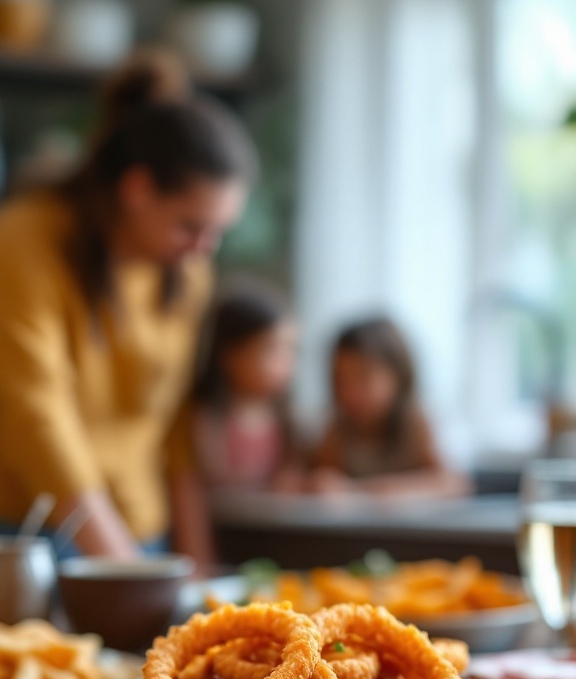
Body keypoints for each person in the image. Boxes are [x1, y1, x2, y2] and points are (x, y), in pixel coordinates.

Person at [0, 51, 256, 559]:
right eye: (190, 226)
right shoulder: (26, 241)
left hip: (140, 531)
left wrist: (194, 559)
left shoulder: (187, 269)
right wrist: (120, 563)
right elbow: (35, 413)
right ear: (137, 189)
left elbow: (176, 423)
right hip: (33, 535)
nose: (204, 250)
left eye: (217, 232)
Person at [170, 277, 300, 564]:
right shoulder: (202, 419)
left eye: (291, 350)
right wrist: (198, 560)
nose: (287, 364)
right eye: (272, 350)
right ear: (229, 354)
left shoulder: (284, 418)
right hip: (218, 546)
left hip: (269, 549)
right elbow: (188, 494)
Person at [309, 316, 469, 499]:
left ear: (397, 375)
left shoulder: (417, 425)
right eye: (341, 379)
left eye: (363, 377)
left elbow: (454, 484)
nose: (350, 392)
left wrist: (374, 490)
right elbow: (324, 481)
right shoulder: (336, 431)